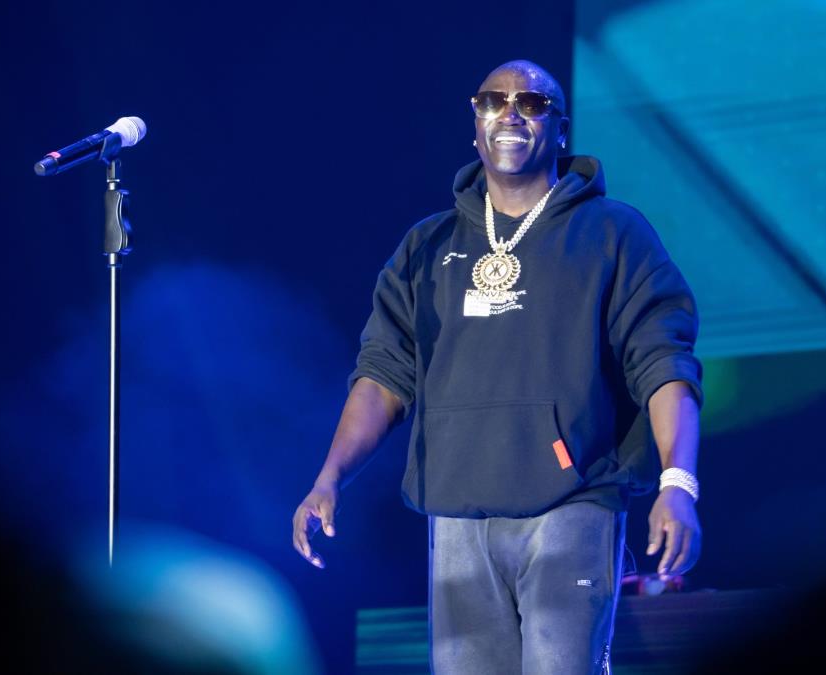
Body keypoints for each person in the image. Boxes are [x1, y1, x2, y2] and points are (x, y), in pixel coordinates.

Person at [292, 59, 704, 674]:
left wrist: (679, 484)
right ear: (475, 123)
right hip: (458, 512)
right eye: (493, 101)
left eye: (531, 104)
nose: (510, 113)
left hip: (571, 503)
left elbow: (664, 363)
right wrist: (329, 478)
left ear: (560, 130)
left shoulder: (612, 233)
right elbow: (382, 375)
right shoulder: (426, 246)